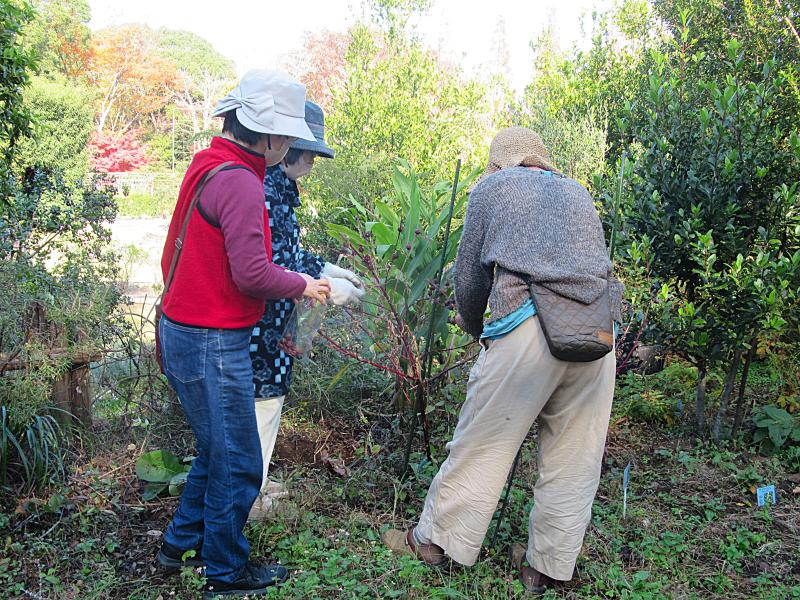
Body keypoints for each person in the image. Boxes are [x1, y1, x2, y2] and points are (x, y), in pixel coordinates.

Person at [383, 127, 623, 594]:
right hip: (596, 334)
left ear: (498, 164)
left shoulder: (492, 188)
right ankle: (549, 568)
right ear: (542, 160)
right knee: (576, 455)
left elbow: (470, 280)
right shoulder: (577, 191)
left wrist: (480, 332)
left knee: (484, 441)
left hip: (530, 327)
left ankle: (437, 544)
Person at [156, 70, 331, 599]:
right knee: (240, 459)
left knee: (216, 450)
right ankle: (225, 572)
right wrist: (305, 284)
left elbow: (175, 254)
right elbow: (253, 274)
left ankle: (177, 545)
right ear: (273, 137)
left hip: (183, 328)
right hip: (211, 338)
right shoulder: (238, 179)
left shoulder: (210, 163)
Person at [248, 100, 364, 520]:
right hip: (258, 321)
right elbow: (276, 262)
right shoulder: (265, 188)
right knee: (262, 402)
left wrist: (333, 269)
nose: (313, 160)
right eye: (311, 151)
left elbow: (292, 252)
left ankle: (255, 478)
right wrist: (331, 289)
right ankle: (251, 495)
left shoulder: (277, 186)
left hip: (272, 319)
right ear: (289, 146)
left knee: (270, 398)